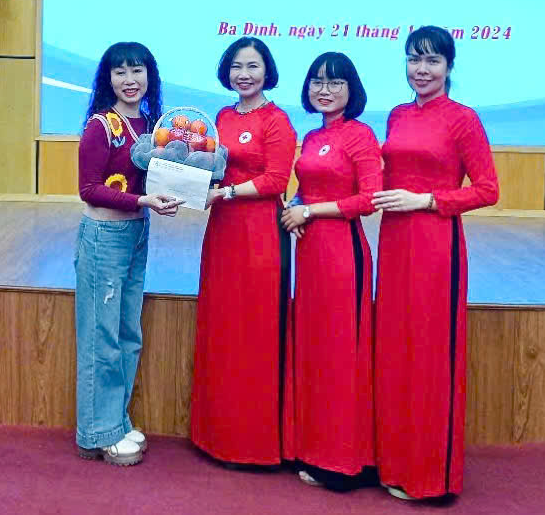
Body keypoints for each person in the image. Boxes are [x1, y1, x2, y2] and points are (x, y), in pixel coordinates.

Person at [373, 26, 499, 499]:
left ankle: (430, 477)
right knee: (395, 350)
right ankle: (393, 462)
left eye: (431, 61)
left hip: (435, 245)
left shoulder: (463, 119)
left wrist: (426, 199)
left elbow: (487, 189)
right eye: (413, 59)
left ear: (449, 67)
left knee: (429, 355)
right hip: (394, 243)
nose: (421, 70)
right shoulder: (398, 115)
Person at [191, 37, 297, 465]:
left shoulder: (278, 121)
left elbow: (275, 181)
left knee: (254, 332)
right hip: (223, 231)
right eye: (237, 66)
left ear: (266, 71)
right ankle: (216, 434)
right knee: (222, 325)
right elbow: (209, 166)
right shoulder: (221, 116)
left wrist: (227, 191)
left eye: (252, 66)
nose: (244, 74)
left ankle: (253, 443)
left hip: (259, 235)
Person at [75, 42, 179, 466]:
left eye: (137, 71)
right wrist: (142, 202)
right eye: (120, 73)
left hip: (137, 235)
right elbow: (88, 189)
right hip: (105, 236)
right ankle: (97, 433)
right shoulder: (102, 125)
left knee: (127, 335)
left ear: (149, 76)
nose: (130, 80)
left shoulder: (153, 126)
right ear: (108, 79)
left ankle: (114, 421)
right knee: (102, 336)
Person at [280, 52, 380, 490]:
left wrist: (311, 210)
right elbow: (306, 188)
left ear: (351, 90)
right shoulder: (313, 134)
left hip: (343, 256)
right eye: (317, 81)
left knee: (342, 356)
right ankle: (314, 447)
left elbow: (369, 199)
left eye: (335, 83)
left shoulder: (360, 136)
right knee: (316, 352)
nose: (325, 89)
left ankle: (344, 463)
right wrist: (295, 206)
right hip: (311, 256)